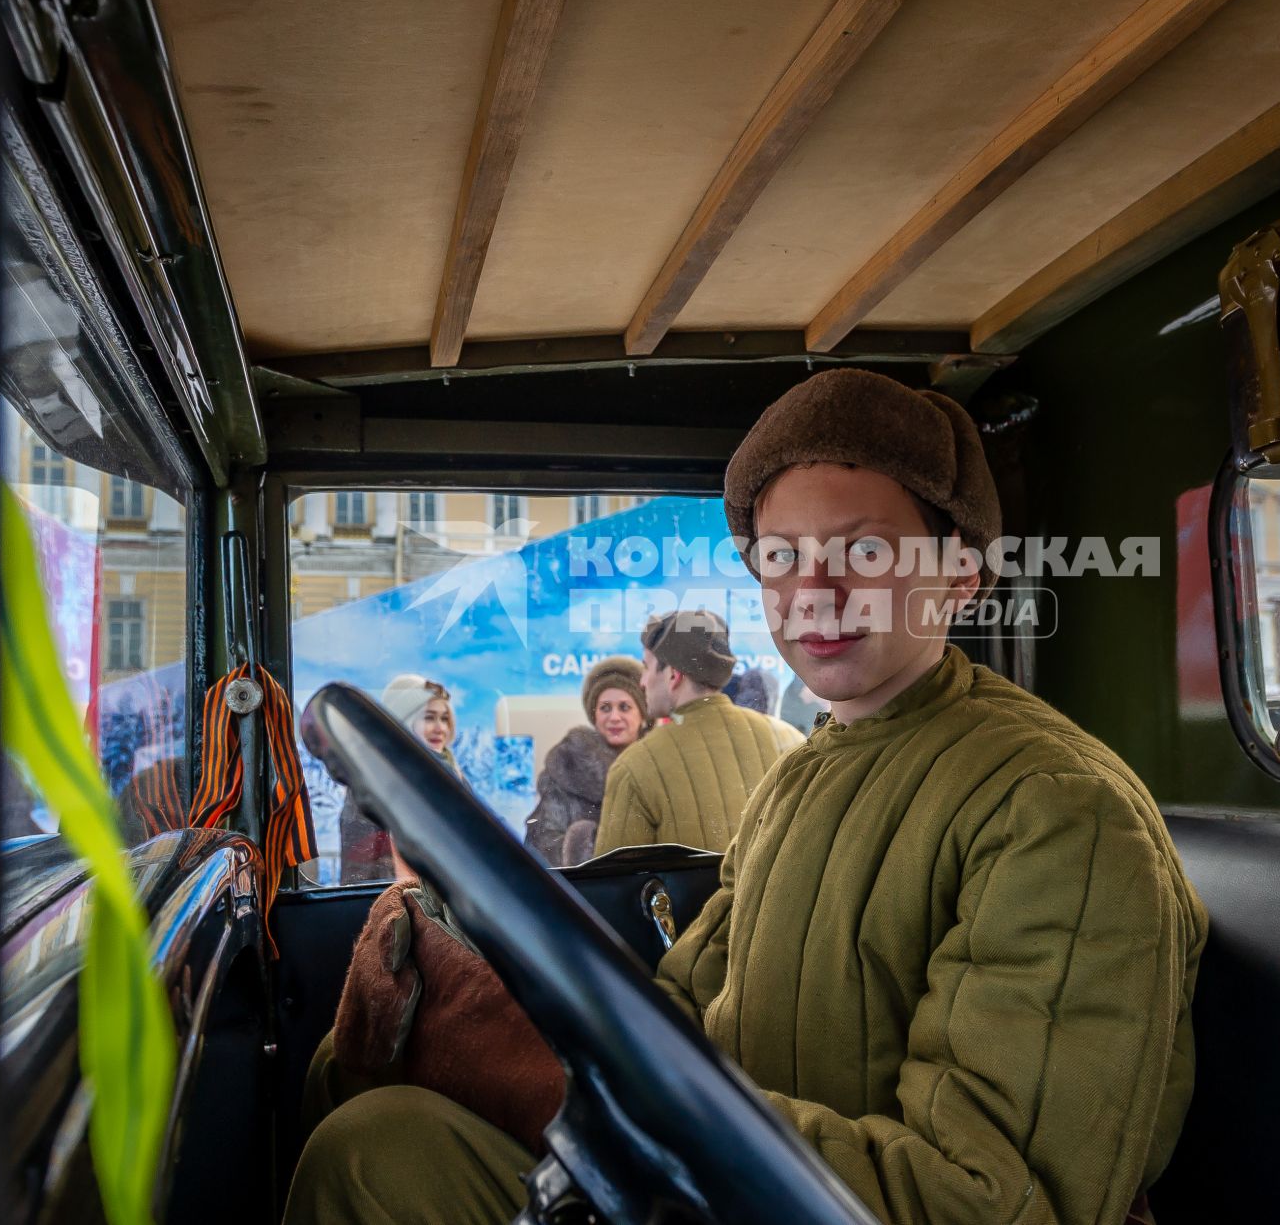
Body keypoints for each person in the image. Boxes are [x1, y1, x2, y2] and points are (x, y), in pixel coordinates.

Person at [285, 368, 1207, 1225]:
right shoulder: (797, 776)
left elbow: (989, 1202)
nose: (814, 591)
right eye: (780, 556)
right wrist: (526, 1018)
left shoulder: (1055, 811)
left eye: (866, 550)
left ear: (960, 574)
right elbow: (688, 1017)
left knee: (369, 1162)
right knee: (378, 1131)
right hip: (718, 1191)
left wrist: (547, 1082)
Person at [592, 610, 803, 856]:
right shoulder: (791, 741)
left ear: (673, 675)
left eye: (646, 667)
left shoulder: (633, 766)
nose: (642, 681)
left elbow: (614, 885)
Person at [522, 656, 647, 866]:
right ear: (594, 714)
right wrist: (583, 851)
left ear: (643, 714)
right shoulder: (567, 766)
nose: (614, 717)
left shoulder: (659, 764)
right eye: (605, 708)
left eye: (624, 707)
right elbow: (539, 840)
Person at [341, 675, 463, 880]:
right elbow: (361, 872)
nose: (440, 728)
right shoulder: (372, 783)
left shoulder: (453, 777)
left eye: (444, 718)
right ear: (404, 721)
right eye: (429, 717)